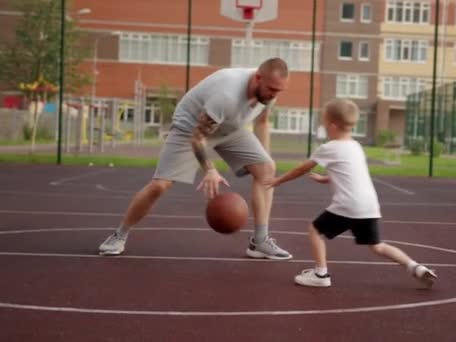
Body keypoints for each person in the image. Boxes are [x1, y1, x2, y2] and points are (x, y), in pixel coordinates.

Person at [98, 58, 292, 260]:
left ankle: (260, 241)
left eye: (279, 91)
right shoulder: (226, 94)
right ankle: (118, 235)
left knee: (267, 169)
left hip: (229, 128)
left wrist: (264, 154)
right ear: (258, 77)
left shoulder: (269, 92)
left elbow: (262, 122)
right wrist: (209, 169)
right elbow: (198, 137)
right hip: (190, 129)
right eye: (272, 89)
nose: (274, 95)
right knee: (159, 185)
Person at [264, 99, 438, 288]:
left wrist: (277, 180)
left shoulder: (329, 147)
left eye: (323, 122)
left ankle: (321, 275)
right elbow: (350, 172)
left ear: (331, 125)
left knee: (315, 231)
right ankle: (415, 267)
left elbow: (300, 169)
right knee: (377, 246)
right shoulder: (355, 146)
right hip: (369, 205)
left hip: (348, 204)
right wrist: (326, 179)